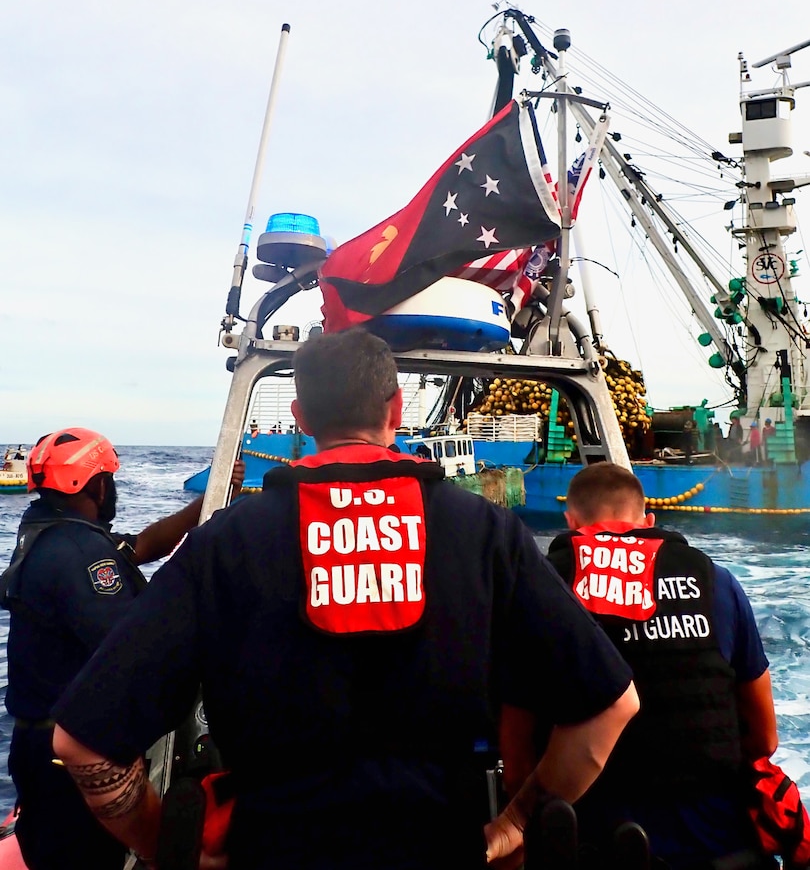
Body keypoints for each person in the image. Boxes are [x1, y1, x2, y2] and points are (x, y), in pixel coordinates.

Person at [52, 330, 639, 870]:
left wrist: (168, 849)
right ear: (397, 409)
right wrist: (514, 823)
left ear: (302, 417)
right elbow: (611, 706)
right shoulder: (487, 533)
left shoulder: (223, 544)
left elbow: (81, 744)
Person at [1, 428, 244, 870]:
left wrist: (207, 501)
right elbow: (134, 646)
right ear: (94, 484)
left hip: (38, 741)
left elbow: (141, 547)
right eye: (108, 478)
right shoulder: (81, 556)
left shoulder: (54, 536)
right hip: (70, 754)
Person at [546, 462, 778, 870]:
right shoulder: (717, 583)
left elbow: (517, 751)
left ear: (571, 522)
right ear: (648, 521)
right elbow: (765, 740)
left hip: (593, 840)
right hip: (717, 842)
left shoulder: (546, 586)